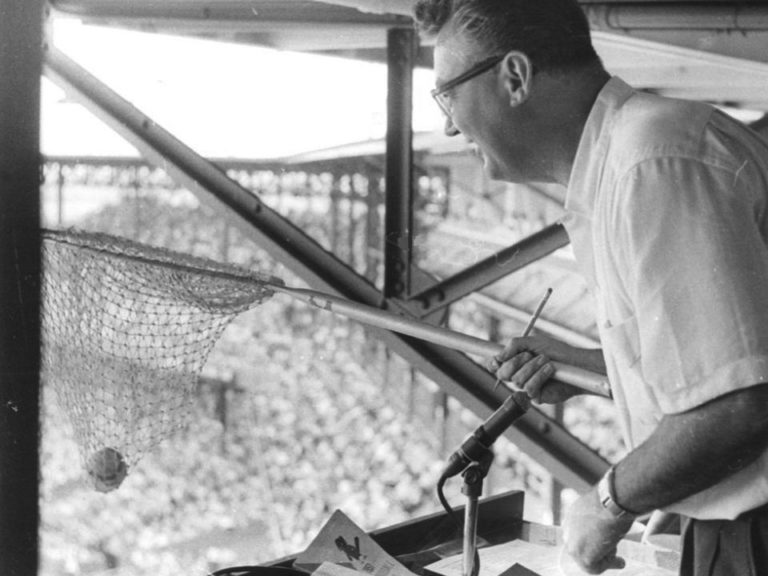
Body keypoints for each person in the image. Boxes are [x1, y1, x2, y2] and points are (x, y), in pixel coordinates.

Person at [412, 1, 768, 574]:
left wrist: (608, 503)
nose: (448, 125)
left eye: (446, 95)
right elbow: (728, 363)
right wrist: (599, 368)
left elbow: (737, 408)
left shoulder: (651, 163)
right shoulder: (632, 157)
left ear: (515, 77)